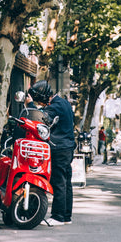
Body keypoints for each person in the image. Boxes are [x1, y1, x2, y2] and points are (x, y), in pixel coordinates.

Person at [29, 80, 75, 227]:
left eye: (39, 101)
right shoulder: (64, 103)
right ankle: (66, 216)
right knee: (66, 183)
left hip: (59, 148)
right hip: (68, 147)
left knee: (58, 182)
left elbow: (39, 118)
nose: (40, 104)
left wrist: (30, 105)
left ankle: (58, 216)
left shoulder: (54, 107)